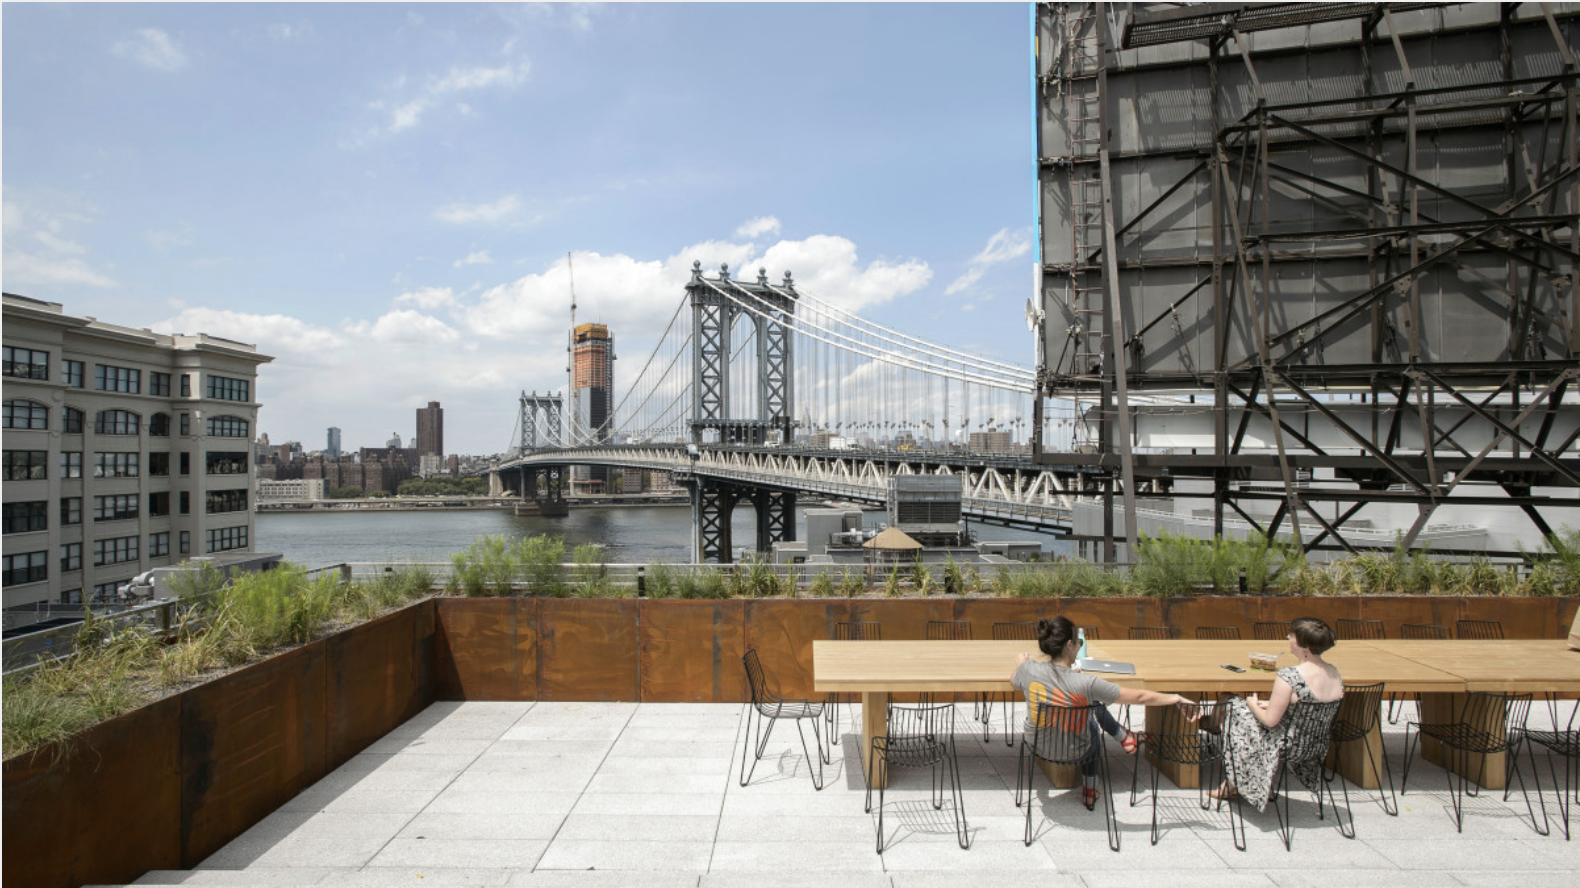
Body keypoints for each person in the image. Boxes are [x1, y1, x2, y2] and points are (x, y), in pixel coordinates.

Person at [1011, 616, 1199, 809]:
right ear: (1070, 645)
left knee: (1088, 705)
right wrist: (1175, 698)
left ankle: (1125, 736)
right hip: (1078, 750)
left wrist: (1022, 665)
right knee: (1091, 715)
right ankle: (1091, 787)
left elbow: (1014, 680)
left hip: (1037, 746)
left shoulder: (1029, 670)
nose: (1078, 646)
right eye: (1079, 642)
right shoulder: (1087, 683)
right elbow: (1140, 697)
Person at [1211, 616, 1343, 809]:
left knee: (1229, 702)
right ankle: (1231, 782)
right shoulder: (1333, 672)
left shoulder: (1290, 675)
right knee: (1236, 707)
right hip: (1315, 744)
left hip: (1285, 743)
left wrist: (1252, 703)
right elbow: (1311, 704)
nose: (1288, 637)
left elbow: (1270, 722)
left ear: (1301, 644)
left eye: (1291, 635)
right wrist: (1273, 703)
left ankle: (1231, 776)